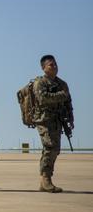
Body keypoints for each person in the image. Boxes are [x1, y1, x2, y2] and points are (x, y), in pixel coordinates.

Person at [33, 54, 73, 193]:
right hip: (44, 120)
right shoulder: (40, 83)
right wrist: (61, 95)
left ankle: (45, 180)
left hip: (58, 120)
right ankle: (45, 179)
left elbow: (68, 103)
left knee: (55, 149)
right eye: (51, 64)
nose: (54, 66)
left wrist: (70, 119)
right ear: (44, 68)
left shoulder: (62, 84)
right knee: (49, 147)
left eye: (55, 64)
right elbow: (43, 99)